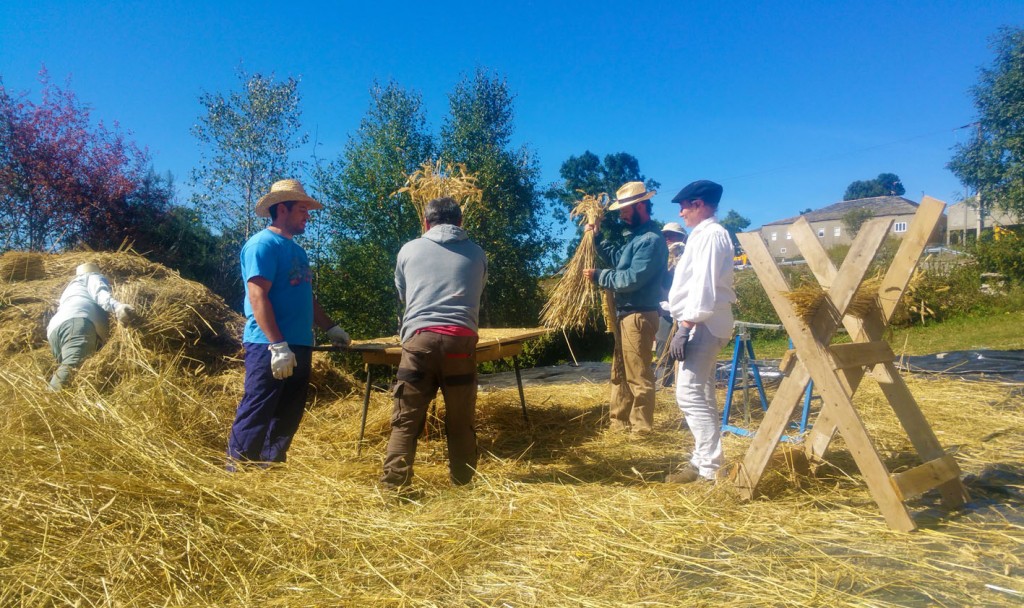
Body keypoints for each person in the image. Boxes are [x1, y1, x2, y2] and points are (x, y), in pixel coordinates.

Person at [227, 179, 351, 468]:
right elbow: (257, 296)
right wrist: (277, 345)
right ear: (282, 209)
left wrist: (330, 327)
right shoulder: (262, 244)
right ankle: (237, 471)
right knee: (258, 408)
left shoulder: (297, 251)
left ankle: (269, 469)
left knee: (288, 412)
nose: (307, 215)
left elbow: (306, 296)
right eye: (302, 209)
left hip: (298, 343)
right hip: (269, 345)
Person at [381, 196, 487, 491]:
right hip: (460, 343)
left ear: (426, 222)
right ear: (460, 222)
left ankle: (394, 488)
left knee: (406, 421)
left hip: (419, 343)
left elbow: (404, 294)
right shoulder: (477, 253)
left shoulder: (408, 250)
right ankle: (463, 486)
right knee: (460, 421)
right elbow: (477, 290)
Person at [583, 182, 669, 434]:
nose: (620, 214)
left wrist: (599, 276)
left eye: (625, 209)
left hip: (638, 314)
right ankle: (618, 425)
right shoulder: (636, 238)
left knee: (638, 376)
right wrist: (597, 237)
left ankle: (641, 431)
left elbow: (630, 279)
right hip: (625, 314)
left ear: (640, 206)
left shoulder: (651, 241)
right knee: (620, 372)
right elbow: (619, 260)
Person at [665, 180, 736, 483]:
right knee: (703, 394)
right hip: (702, 321)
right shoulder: (702, 236)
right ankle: (703, 460)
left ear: (699, 204)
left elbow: (704, 288)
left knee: (689, 394)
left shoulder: (711, 236)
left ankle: (709, 470)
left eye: (684, 206)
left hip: (703, 323)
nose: (681, 213)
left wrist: (685, 326)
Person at [46, 263, 135, 390]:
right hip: (78, 322)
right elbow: (100, 294)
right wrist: (117, 306)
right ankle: (50, 406)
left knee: (72, 376)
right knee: (71, 368)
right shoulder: (92, 277)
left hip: (55, 331)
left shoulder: (71, 287)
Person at [655, 222, 688, 388]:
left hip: (685, 312)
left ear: (682, 237)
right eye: (665, 235)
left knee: (686, 348)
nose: (667, 238)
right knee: (662, 345)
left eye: (671, 234)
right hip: (666, 310)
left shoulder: (688, 253)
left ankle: (683, 383)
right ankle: (664, 382)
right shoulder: (662, 256)